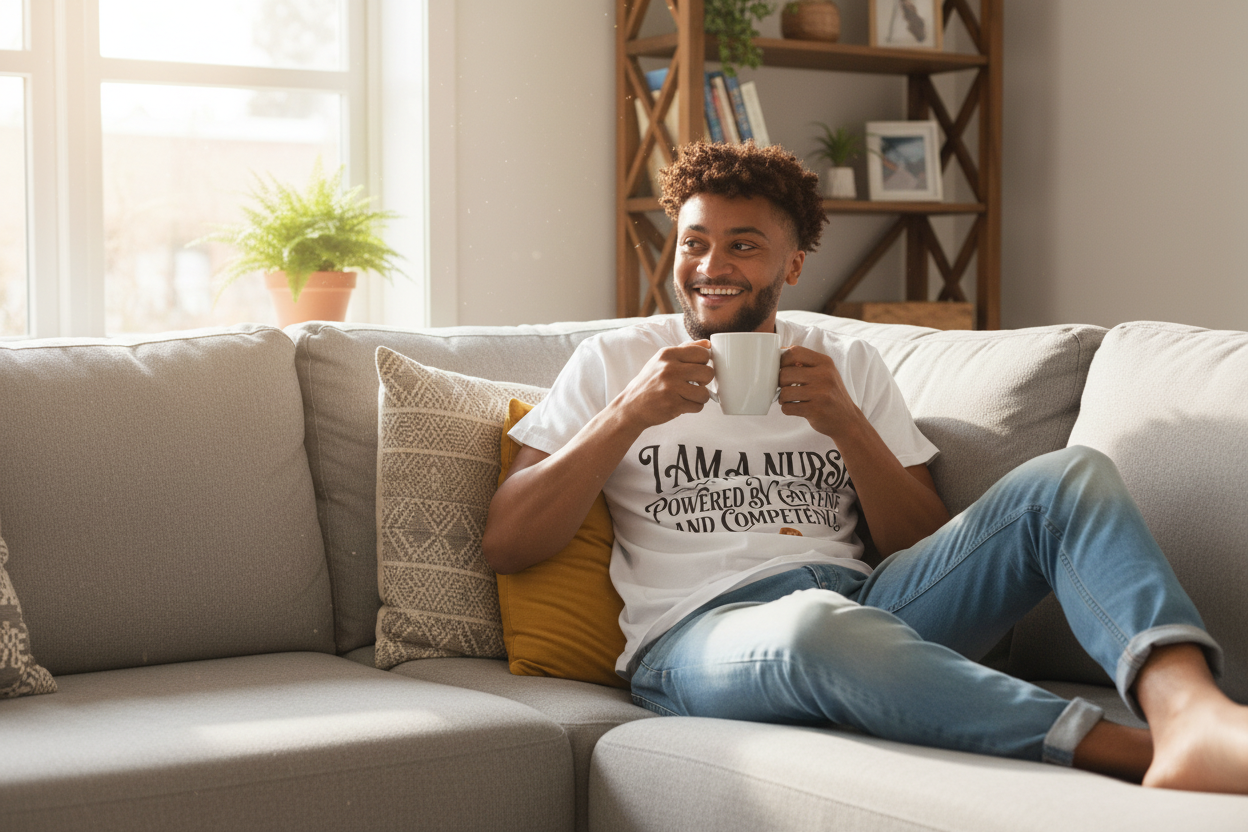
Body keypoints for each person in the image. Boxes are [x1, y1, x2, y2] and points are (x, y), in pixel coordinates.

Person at [482, 141, 1248, 794]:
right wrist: (627, 416)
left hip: (874, 603)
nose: (711, 265)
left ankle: (1191, 711)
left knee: (1070, 477)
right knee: (818, 629)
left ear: (794, 262)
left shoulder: (847, 362)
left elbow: (918, 539)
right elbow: (510, 540)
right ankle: (1133, 751)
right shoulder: (614, 362)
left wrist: (847, 425)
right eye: (693, 242)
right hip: (698, 635)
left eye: (743, 244)